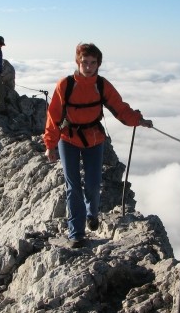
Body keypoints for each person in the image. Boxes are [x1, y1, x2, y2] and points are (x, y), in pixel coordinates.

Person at [43, 42, 153, 248]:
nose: (88, 66)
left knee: (93, 185)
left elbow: (119, 108)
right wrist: (50, 144)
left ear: (98, 64)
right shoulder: (65, 85)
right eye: (84, 62)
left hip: (94, 139)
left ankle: (92, 214)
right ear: (78, 62)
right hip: (68, 139)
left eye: (93, 63)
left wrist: (138, 120)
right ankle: (76, 233)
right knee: (73, 186)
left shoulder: (102, 85)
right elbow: (54, 116)